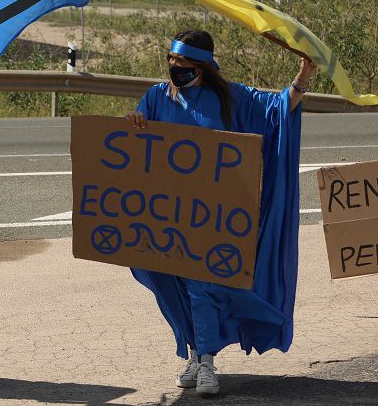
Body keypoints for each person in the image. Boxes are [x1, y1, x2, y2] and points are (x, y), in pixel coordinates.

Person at [124, 29, 317, 397]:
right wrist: (134, 123)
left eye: (182, 61)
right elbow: (139, 141)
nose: (173, 66)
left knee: (202, 285)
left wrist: (302, 79)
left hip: (210, 215)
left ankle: (208, 362)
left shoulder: (230, 97)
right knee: (171, 286)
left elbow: (277, 110)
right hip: (164, 214)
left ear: (202, 66)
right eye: (170, 58)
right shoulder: (156, 96)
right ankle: (194, 353)